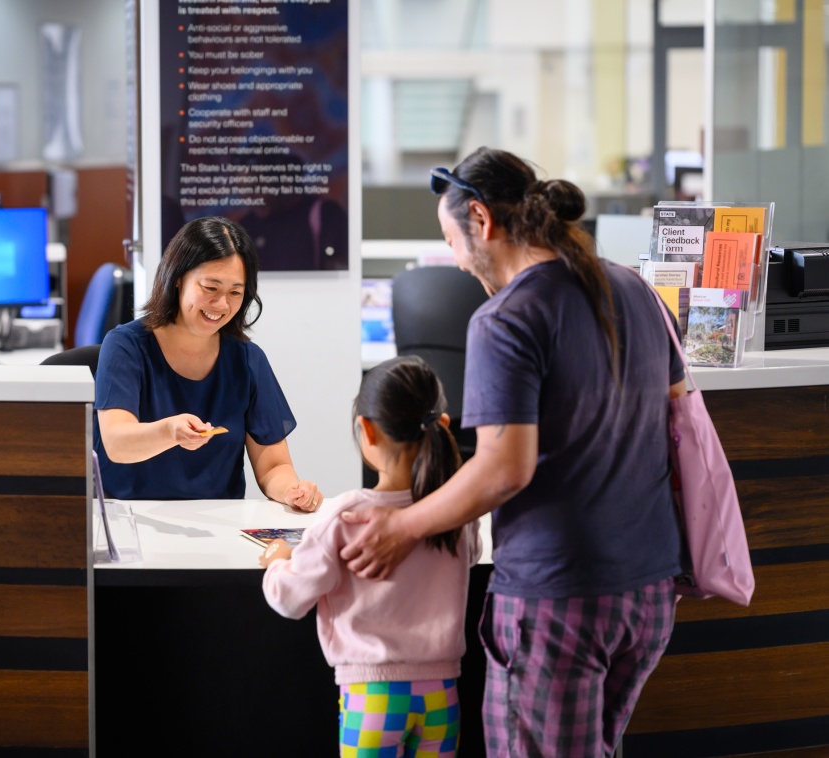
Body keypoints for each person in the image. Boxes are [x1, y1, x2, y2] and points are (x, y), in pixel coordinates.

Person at [339, 148, 686, 757]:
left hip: (560, 599)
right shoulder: (635, 289)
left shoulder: (506, 317)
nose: (454, 258)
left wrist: (402, 526)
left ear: (481, 218)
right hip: (650, 590)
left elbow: (504, 466)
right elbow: (677, 413)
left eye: (451, 239)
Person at [260, 355, 482, 758]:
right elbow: (471, 555)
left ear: (367, 431)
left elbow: (289, 600)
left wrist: (277, 561)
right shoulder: (454, 514)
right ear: (442, 426)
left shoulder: (346, 515)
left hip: (374, 700)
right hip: (442, 699)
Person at [93, 215, 322, 509]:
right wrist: (169, 432)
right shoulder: (126, 346)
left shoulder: (248, 360)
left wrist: (293, 490)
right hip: (131, 517)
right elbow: (116, 443)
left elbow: (273, 466)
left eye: (235, 293)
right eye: (210, 288)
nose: (222, 305)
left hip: (219, 525)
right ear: (178, 278)